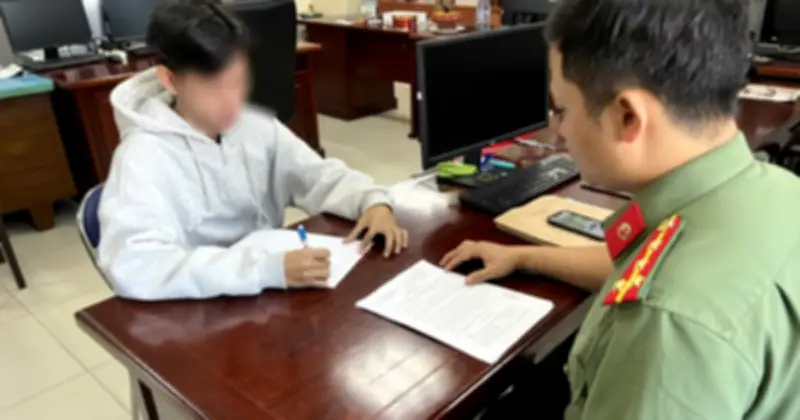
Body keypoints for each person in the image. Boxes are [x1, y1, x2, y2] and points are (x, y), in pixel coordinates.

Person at [443, 0, 800, 418]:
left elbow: (664, 291)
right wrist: (524, 257)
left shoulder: (668, 327)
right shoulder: (776, 189)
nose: (559, 132)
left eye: (562, 110)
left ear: (627, 116)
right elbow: (640, 270)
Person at [98, 0, 408, 301]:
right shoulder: (142, 156)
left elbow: (318, 177)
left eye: (238, 81)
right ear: (170, 80)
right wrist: (263, 269)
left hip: (267, 297)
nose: (232, 101)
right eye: (214, 87)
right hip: (197, 309)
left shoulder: (252, 126)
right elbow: (135, 265)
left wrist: (372, 202)